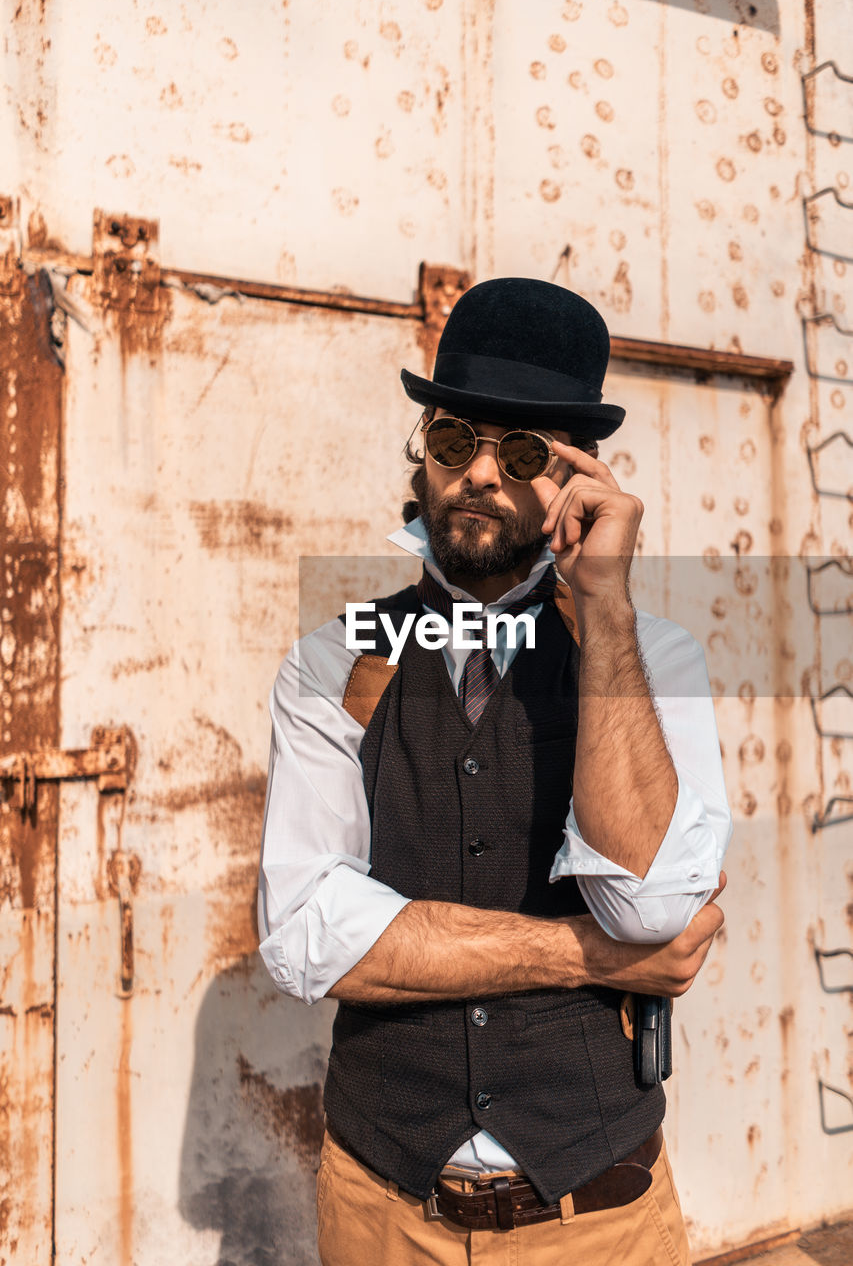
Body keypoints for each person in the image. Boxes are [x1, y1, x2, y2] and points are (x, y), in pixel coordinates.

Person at [258, 278, 732, 1265]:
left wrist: (602, 610)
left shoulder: (658, 661)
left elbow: (647, 906)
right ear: (420, 458)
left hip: (596, 1224)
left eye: (521, 453)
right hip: (381, 1209)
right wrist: (590, 957)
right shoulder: (330, 662)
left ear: (579, 482)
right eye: (453, 440)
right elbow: (307, 935)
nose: (480, 472)